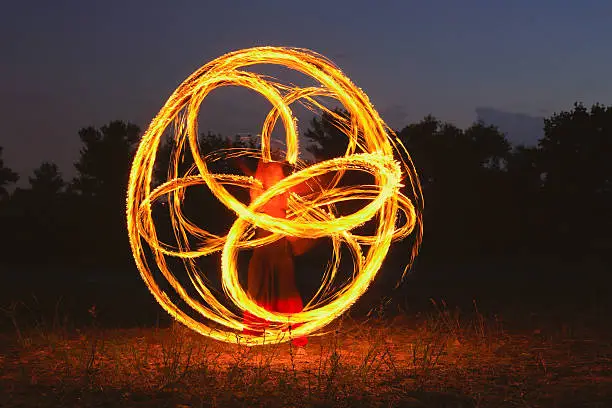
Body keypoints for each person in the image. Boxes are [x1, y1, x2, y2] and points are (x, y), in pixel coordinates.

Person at [238, 157, 309, 347]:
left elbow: (294, 232)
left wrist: (294, 232)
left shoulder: (284, 195)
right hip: (262, 252)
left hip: (278, 252)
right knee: (257, 294)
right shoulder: (259, 192)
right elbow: (254, 204)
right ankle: (252, 337)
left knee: (287, 296)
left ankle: (298, 341)